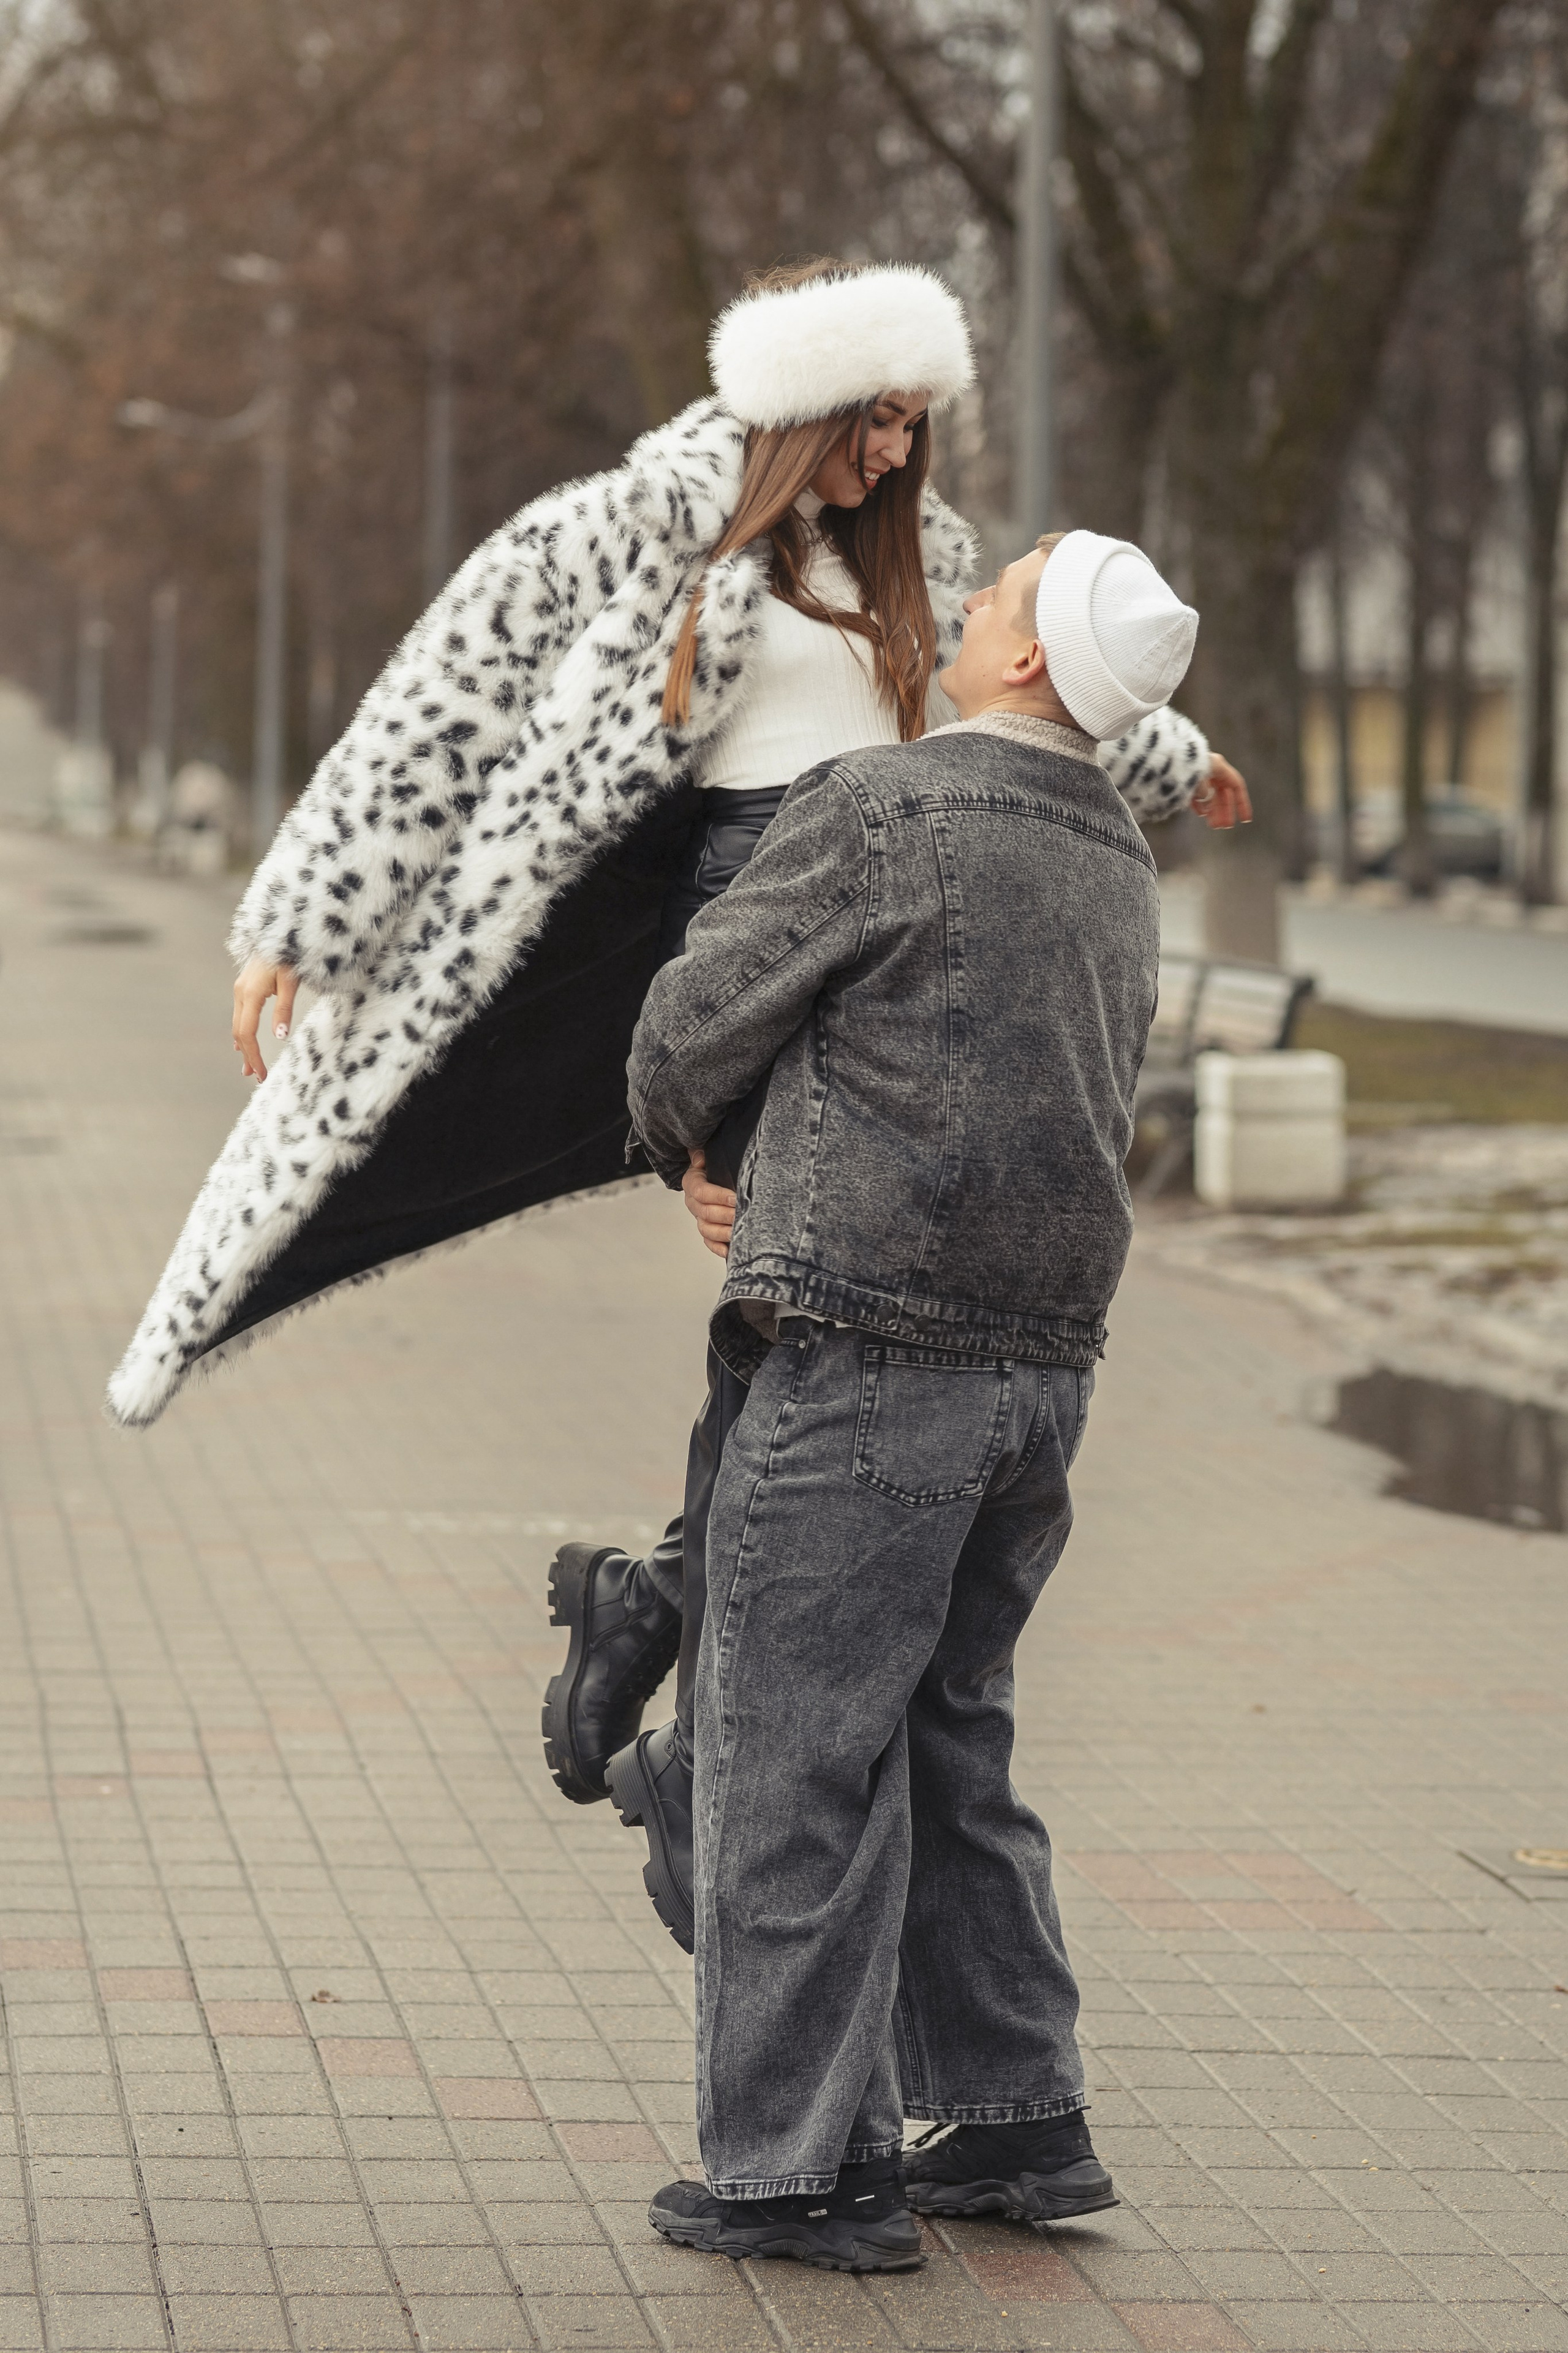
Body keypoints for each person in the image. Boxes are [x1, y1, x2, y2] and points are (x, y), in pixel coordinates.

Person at [106, 258, 1240, 1449]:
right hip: (744, 901)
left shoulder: (914, 560)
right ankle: (717, 1563)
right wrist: (299, 927)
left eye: (914, 427)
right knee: (776, 1249)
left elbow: (1028, 669)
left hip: (894, 909)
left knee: (835, 1248)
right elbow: (445, 697)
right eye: (884, 421)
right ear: (810, 404)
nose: (900, 454)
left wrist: (1169, 756)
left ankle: (679, 1583)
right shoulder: (633, 529)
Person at [620, 526, 1186, 2272]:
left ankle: (801, 2170)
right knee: (956, 1745)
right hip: (1044, 1380)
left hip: (865, 1357)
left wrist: (691, 1140)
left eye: (1002, 591)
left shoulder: (885, 808)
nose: (971, 603)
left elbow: (693, 1017)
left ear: (1027, 662)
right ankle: (1017, 2117)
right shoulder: (1119, 854)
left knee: (792, 1757)